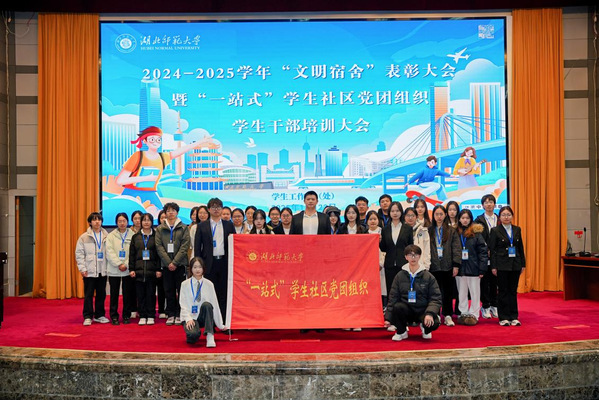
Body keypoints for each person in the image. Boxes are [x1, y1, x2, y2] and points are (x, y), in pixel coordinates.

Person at [116, 126, 216, 216]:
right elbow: (120, 180)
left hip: (151, 193)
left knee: (160, 215)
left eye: (158, 139)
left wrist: (200, 142)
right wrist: (145, 178)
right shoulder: (138, 156)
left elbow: (180, 151)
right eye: (152, 139)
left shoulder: (162, 157)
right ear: (145, 141)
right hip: (132, 193)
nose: (155, 142)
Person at [384, 245, 442, 341]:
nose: (413, 258)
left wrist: (430, 313)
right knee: (397, 307)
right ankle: (402, 332)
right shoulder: (399, 276)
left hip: (422, 310)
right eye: (410, 255)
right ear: (406, 257)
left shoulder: (428, 276)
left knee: (434, 322)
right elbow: (393, 297)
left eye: (416, 255)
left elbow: (436, 298)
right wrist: (388, 318)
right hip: (407, 309)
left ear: (419, 256)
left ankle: (425, 329)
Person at [194, 198, 235, 324]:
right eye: (213, 207)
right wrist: (198, 266)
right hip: (208, 264)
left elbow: (234, 245)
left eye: (218, 207)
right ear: (208, 209)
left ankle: (224, 322)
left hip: (224, 263)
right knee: (210, 294)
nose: (216, 209)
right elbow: (197, 247)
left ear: (222, 209)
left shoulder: (228, 225)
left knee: (224, 294)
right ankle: (210, 323)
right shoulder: (202, 226)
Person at [488, 206, 526, 326]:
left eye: (508, 215)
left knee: (513, 291)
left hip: (515, 264)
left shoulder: (517, 229)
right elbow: (492, 250)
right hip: (501, 264)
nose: (506, 217)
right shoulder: (495, 230)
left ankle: (514, 316)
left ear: (512, 216)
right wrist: (493, 266)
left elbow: (520, 248)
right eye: (503, 215)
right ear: (500, 217)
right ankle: (503, 317)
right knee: (503, 291)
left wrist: (523, 264)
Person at [155, 202, 190, 326]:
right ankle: (170, 314)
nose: (171, 213)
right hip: (166, 265)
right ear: (165, 213)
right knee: (168, 290)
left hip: (180, 265)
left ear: (177, 212)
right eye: (168, 210)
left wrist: (174, 262)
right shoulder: (160, 228)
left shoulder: (184, 227)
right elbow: (159, 246)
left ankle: (180, 313)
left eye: (173, 210)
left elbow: (185, 246)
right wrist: (168, 262)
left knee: (181, 290)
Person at [180, 257, 226, 347]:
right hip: (190, 317)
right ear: (191, 269)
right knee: (193, 336)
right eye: (195, 267)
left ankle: (210, 335)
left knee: (207, 305)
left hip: (203, 317)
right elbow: (183, 304)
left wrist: (220, 325)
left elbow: (215, 304)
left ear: (203, 268)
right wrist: (188, 319)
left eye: (200, 267)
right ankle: (191, 334)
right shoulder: (184, 284)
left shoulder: (209, 284)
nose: (197, 270)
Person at [379, 201, 414, 322]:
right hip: (389, 264)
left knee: (404, 291)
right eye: (392, 211)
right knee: (391, 291)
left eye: (397, 211)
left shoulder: (407, 228)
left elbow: (410, 246)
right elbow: (384, 248)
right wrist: (379, 241)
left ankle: (406, 317)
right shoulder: (385, 229)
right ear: (389, 213)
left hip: (403, 264)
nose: (395, 213)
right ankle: (392, 317)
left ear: (401, 212)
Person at [428, 205, 461, 327]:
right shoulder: (429, 230)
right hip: (433, 265)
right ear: (433, 215)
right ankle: (436, 314)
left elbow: (456, 248)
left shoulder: (451, 230)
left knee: (448, 291)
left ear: (445, 215)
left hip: (448, 265)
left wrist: (456, 265)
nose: (439, 217)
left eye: (441, 214)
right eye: (436, 214)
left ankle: (447, 314)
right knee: (434, 292)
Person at [75, 212, 109, 326]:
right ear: (90, 222)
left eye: (99, 219)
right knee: (88, 295)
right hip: (89, 271)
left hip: (102, 270)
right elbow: (79, 254)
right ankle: (88, 316)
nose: (97, 222)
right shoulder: (84, 237)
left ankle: (99, 315)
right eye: (94, 220)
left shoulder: (106, 236)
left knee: (101, 294)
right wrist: (82, 268)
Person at [455, 209, 488, 325]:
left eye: (467, 218)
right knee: (461, 293)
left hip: (474, 268)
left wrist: (482, 268)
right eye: (463, 218)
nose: (465, 220)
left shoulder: (476, 233)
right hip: (460, 269)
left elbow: (483, 252)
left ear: (471, 219)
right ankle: (463, 313)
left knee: (475, 293)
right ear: (459, 219)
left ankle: (474, 314)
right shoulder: (455, 233)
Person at [129, 213, 161, 325]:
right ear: (141, 222)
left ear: (152, 222)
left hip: (152, 271)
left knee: (151, 294)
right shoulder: (135, 237)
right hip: (139, 271)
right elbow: (132, 255)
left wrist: (159, 269)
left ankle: (151, 315)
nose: (146, 222)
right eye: (144, 220)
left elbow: (159, 255)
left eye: (148, 220)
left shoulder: (156, 236)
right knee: (140, 295)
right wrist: (131, 269)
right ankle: (142, 315)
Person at [105, 212, 135, 325]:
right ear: (116, 222)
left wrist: (125, 264)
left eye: (124, 221)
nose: (122, 223)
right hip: (114, 269)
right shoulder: (111, 236)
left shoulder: (132, 235)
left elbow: (133, 252)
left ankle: (126, 315)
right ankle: (114, 316)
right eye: (119, 221)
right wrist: (118, 264)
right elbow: (109, 251)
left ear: (127, 222)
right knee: (114, 294)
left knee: (127, 294)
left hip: (127, 270)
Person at [475, 194, 499, 320]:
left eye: (491, 202)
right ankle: (485, 306)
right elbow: (477, 238)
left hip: (498, 256)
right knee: (484, 282)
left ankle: (495, 305)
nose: (489, 204)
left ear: (494, 204)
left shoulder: (499, 218)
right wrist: (486, 250)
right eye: (486, 202)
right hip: (484, 256)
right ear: (483, 205)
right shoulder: (478, 220)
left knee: (495, 282)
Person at [366, 210, 386, 309]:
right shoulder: (364, 233)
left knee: (382, 286)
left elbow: (386, 249)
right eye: (370, 219)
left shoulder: (383, 232)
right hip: (368, 264)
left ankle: (383, 306)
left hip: (381, 264)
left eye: (375, 219)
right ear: (367, 221)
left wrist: (381, 263)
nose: (373, 221)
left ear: (378, 220)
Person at [404, 206, 431, 270]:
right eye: (408, 215)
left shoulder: (423, 230)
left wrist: (426, 265)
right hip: (404, 264)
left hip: (420, 264)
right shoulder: (401, 231)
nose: (410, 218)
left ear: (416, 217)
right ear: (404, 217)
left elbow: (427, 249)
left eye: (413, 215)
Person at [155, 209, 167, 319]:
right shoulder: (156, 232)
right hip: (159, 264)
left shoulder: (171, 231)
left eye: (165, 217)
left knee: (170, 289)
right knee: (161, 288)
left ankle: (170, 309)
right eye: (162, 217)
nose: (163, 219)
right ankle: (162, 309)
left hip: (170, 264)